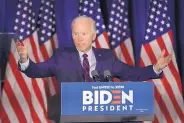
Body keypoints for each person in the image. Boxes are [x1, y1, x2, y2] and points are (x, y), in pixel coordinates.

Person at [16, 16, 172, 123]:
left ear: (93, 35)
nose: (79, 38)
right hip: (72, 118)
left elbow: (131, 73)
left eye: (83, 33)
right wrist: (25, 60)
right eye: (75, 34)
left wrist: (156, 67)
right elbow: (36, 71)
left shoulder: (107, 57)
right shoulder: (61, 56)